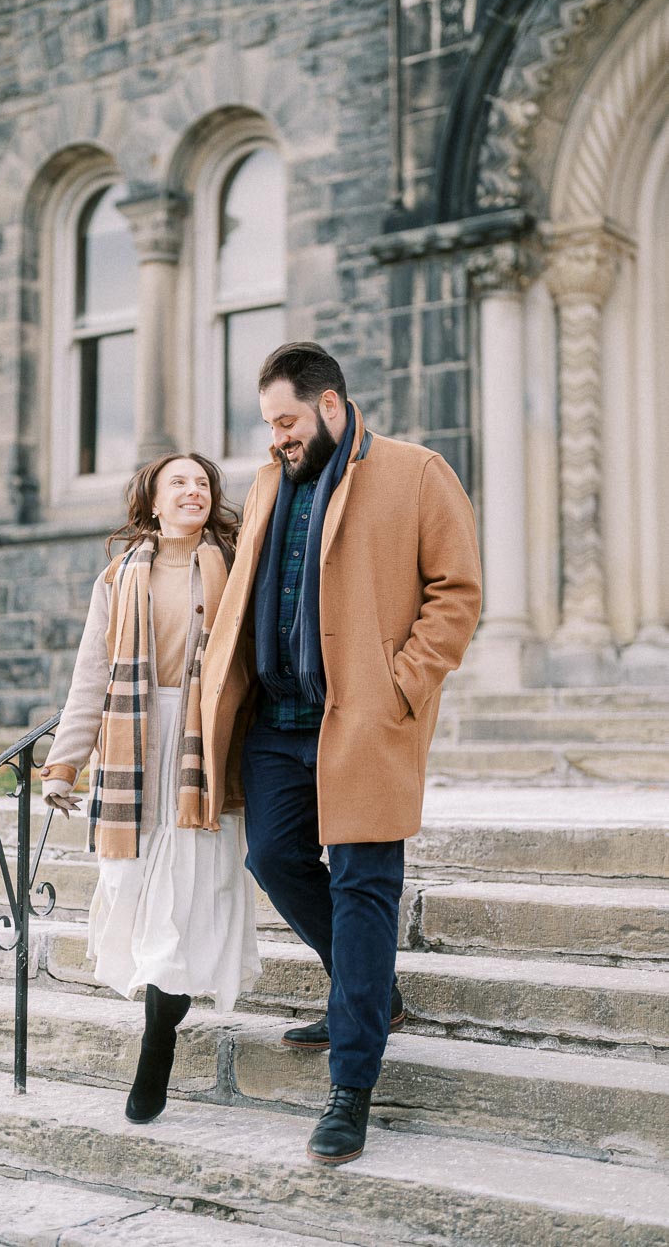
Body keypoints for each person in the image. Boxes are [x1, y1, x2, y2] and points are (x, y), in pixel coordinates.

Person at [201, 342, 482, 1165]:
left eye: (286, 422)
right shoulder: (265, 484)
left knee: (364, 886)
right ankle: (370, 991)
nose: (277, 440)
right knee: (273, 856)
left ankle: (351, 1086)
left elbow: (457, 593)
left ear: (330, 406)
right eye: (269, 426)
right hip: (277, 725)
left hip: (365, 719)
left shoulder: (418, 472)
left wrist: (400, 686)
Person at [40, 453, 261, 1123]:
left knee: (186, 898)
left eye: (203, 483)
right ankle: (159, 1013)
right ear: (154, 502)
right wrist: (62, 765)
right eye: (179, 483)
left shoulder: (235, 565)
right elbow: (92, 678)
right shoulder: (119, 577)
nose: (193, 492)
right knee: (130, 886)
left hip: (206, 748)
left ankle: (156, 1043)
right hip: (134, 746)